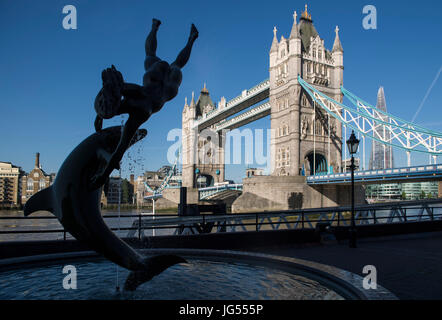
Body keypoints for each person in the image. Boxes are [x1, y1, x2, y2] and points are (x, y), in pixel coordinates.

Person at [91, 19, 198, 189]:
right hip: (158, 85)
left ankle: (178, 34)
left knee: (166, 60)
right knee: (157, 57)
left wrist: (103, 176)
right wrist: (99, 114)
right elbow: (114, 93)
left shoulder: (138, 107)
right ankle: (170, 32)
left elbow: (119, 151)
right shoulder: (136, 97)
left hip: (157, 88)